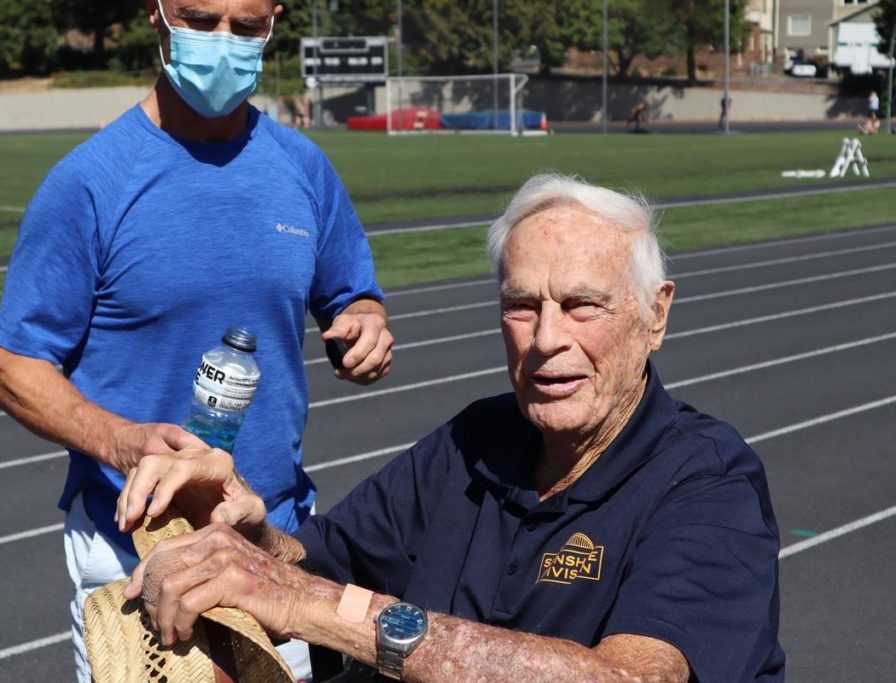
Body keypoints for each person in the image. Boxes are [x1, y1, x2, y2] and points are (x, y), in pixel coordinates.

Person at [117, 173, 785, 681]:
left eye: (583, 305)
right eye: (522, 305)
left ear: (655, 314)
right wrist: (243, 532)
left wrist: (316, 606)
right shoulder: (474, 441)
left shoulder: (707, 482)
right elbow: (309, 565)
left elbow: (629, 677)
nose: (547, 338)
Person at [0, 1, 393, 680]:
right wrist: (120, 439)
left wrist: (367, 323)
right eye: (201, 20)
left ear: (274, 22)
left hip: (270, 539)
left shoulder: (304, 167)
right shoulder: (90, 182)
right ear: (157, 15)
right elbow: (8, 366)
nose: (223, 42)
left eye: (246, 25)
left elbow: (354, 294)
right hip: (136, 550)